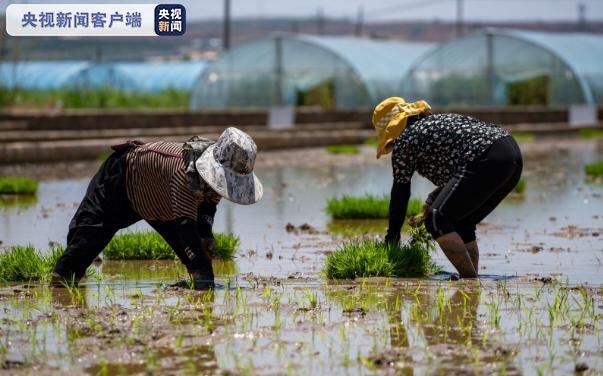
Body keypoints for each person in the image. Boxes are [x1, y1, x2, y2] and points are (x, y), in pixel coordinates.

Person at [51, 127, 263, 289]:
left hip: (161, 198)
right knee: (90, 236)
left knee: (192, 250)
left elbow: (208, 206)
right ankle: (61, 283)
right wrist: (206, 273)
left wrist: (206, 234)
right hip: (123, 179)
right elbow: (186, 228)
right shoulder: (185, 173)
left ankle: (199, 278)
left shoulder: (210, 183)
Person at [373, 97, 522, 278]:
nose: (392, 146)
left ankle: (470, 282)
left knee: (437, 219)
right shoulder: (432, 125)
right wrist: (433, 199)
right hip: (510, 153)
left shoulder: (405, 139)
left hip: (484, 157)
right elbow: (461, 179)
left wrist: (392, 239)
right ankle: (471, 278)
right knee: (461, 221)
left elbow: (400, 193)